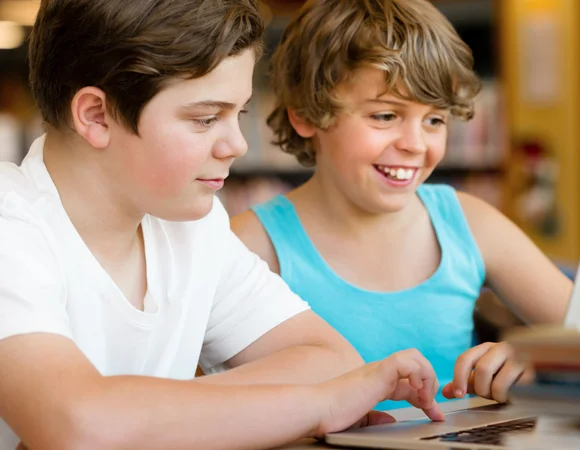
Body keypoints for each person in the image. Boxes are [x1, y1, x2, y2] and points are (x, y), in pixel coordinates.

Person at [0, 1, 447, 449]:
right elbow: (77, 427)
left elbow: (332, 362)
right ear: (97, 115)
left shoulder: (192, 227)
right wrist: (317, 406)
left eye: (241, 114)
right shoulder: (10, 223)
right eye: (205, 118)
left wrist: (126, 415)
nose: (235, 144)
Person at [231, 0, 574, 411]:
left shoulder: (468, 221)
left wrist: (539, 364)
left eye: (435, 120)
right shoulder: (247, 246)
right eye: (386, 115)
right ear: (306, 115)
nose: (415, 144)